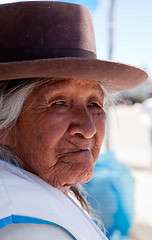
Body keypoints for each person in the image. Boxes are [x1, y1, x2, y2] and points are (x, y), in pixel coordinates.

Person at [0, 1, 148, 239]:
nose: (88, 129)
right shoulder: (25, 226)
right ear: (3, 125)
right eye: (58, 103)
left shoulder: (37, 194)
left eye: (94, 104)